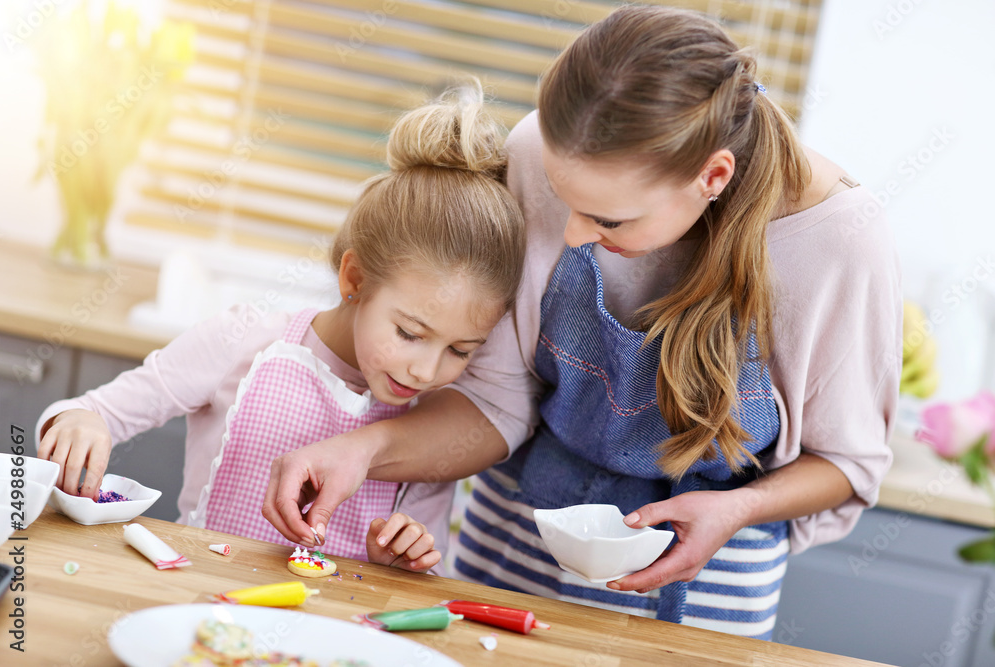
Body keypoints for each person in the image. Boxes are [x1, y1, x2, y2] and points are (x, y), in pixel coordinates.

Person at [263, 5, 901, 638]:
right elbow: (496, 400)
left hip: (704, 580)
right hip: (514, 535)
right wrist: (364, 449)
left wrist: (738, 508)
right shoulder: (539, 149)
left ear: (713, 175)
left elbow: (845, 462)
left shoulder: (839, 242)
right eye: (563, 199)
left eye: (609, 220)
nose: (572, 233)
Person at [35, 82, 527, 574]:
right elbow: (85, 411)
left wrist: (400, 558)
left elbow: (411, 579)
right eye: (409, 333)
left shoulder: (434, 425)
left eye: (461, 350)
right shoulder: (243, 341)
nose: (425, 370)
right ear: (354, 278)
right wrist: (79, 423)